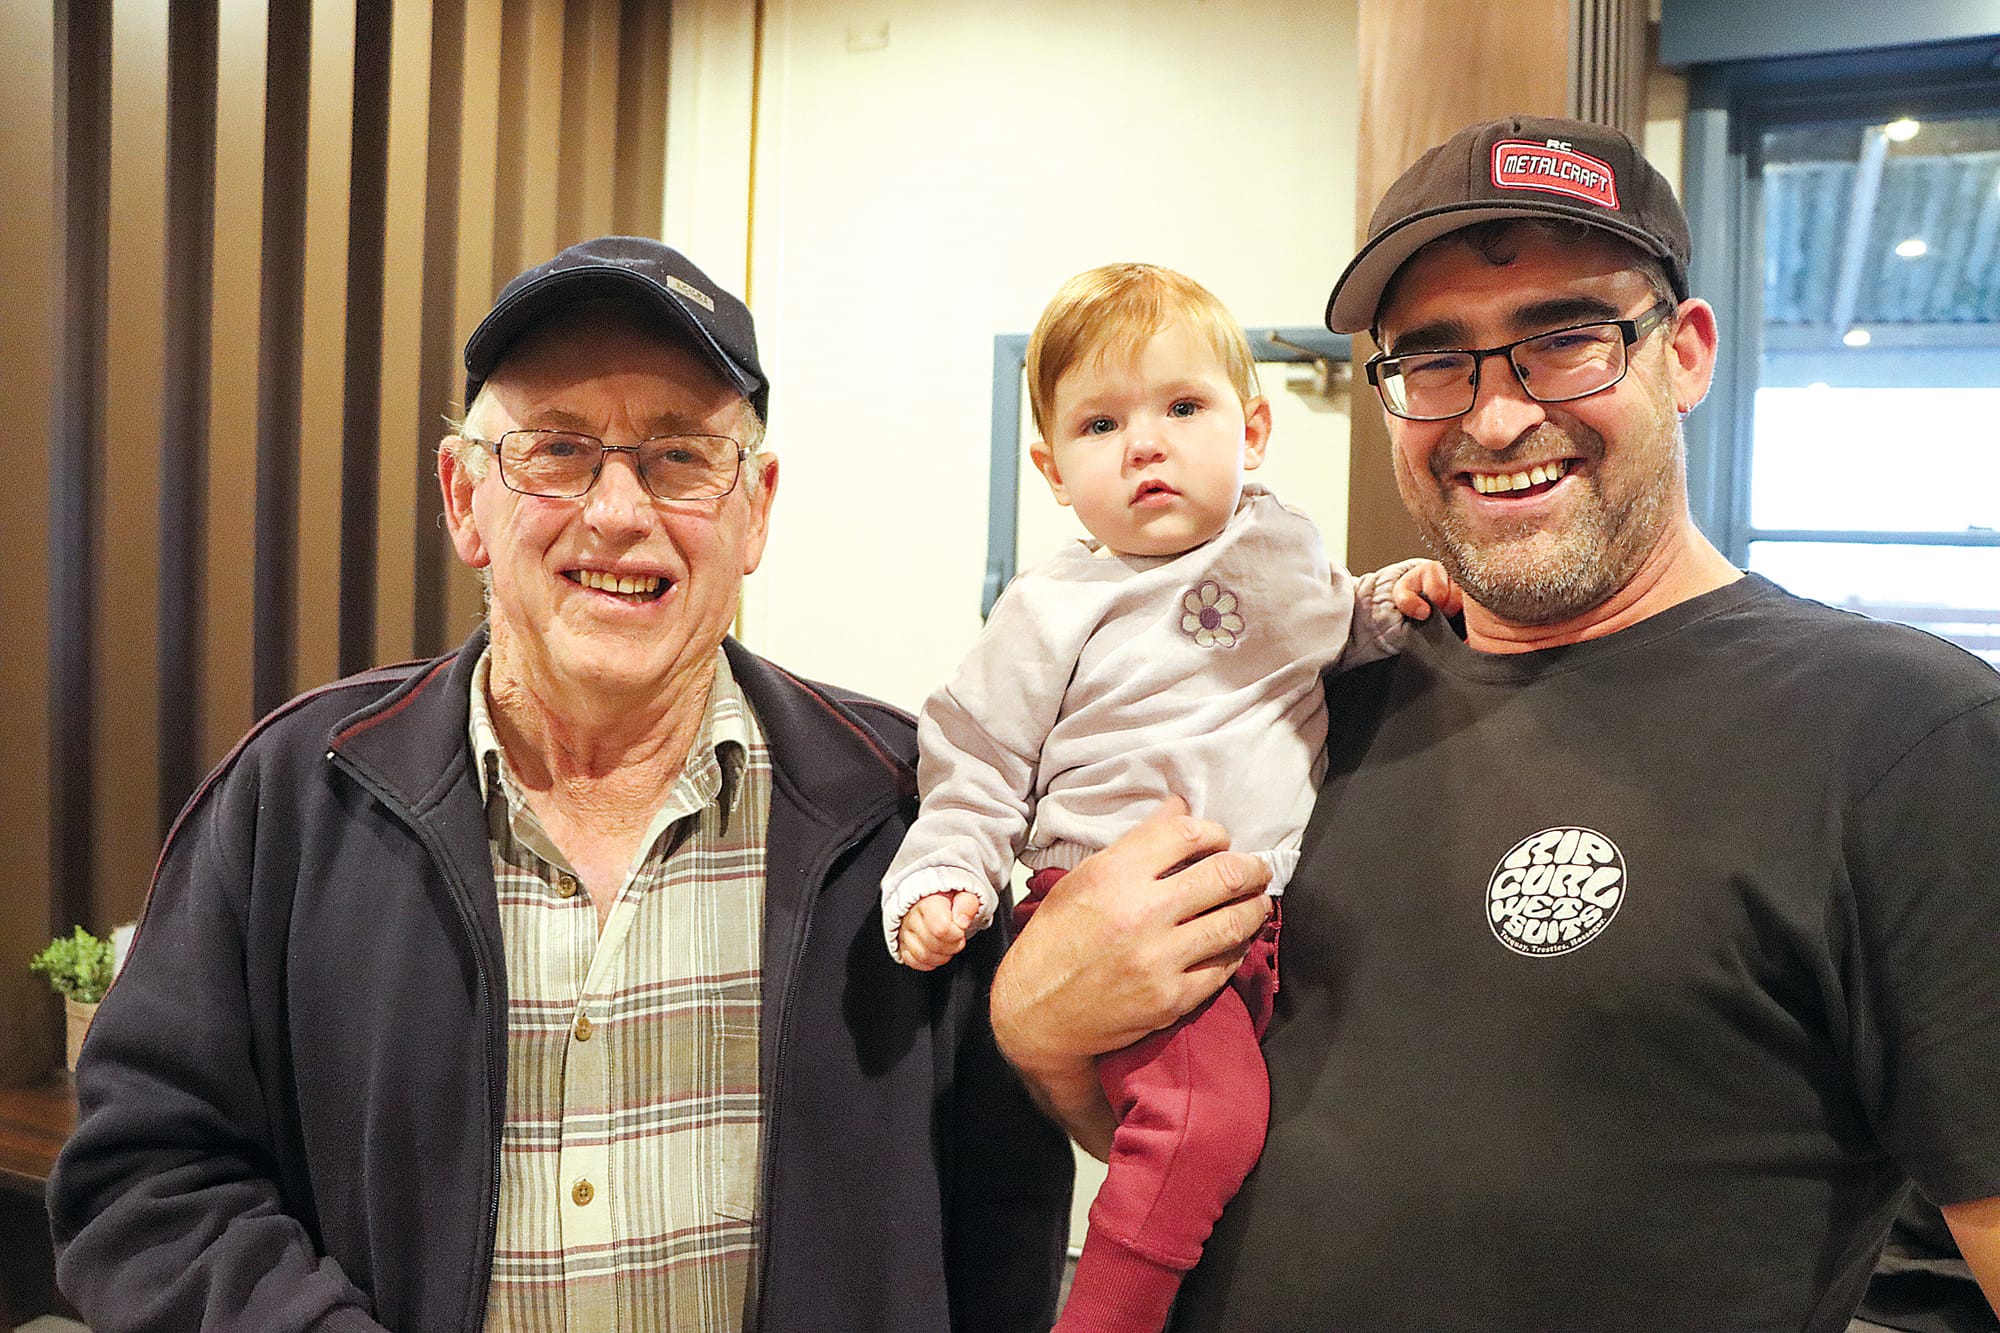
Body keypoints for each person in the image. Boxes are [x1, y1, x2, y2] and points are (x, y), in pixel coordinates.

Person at [988, 116, 2000, 1332]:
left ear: (1683, 353)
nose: (1496, 415)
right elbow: (1171, 1105)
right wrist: (1032, 1026)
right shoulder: (1294, 704)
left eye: (1565, 340)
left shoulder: (1898, 735)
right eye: (1433, 361)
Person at [47, 236, 1073, 1333]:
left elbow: (1005, 1218)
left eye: (680, 456)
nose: (618, 511)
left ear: (756, 508)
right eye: (557, 450)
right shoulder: (294, 801)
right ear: (463, 498)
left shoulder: (907, 818)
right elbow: (146, 1177)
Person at [878, 263, 1453, 1332]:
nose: (1144, 443)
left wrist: (1394, 598)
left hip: (1246, 918)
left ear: (1253, 428)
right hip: (1099, 900)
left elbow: (1339, 624)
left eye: (1181, 408)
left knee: (1256, 1140)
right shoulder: (1054, 605)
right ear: (1052, 471)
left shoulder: (1281, 548)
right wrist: (944, 871)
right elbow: (971, 756)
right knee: (1203, 1121)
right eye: (1101, 424)